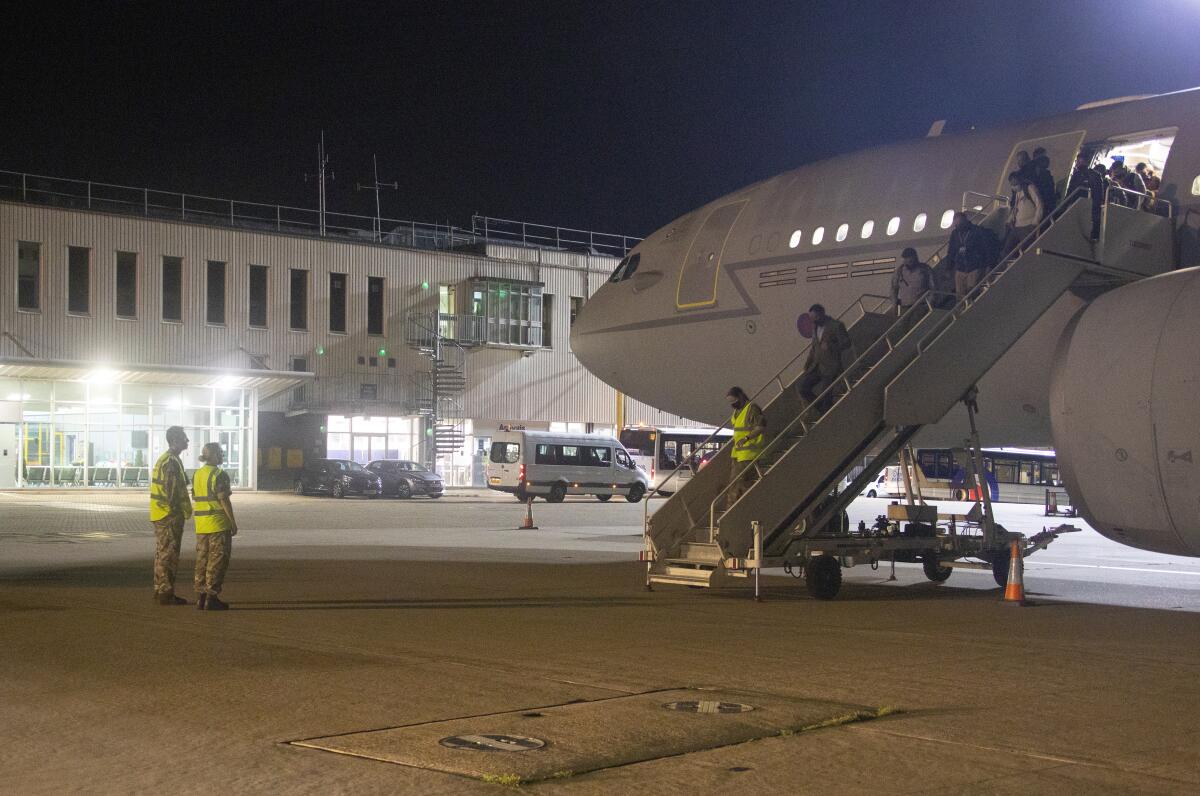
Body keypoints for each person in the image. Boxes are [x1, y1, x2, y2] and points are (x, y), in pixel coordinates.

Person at [149, 426, 192, 605]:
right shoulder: (171, 462)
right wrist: (178, 512)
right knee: (169, 554)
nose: (187, 441)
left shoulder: (168, 459)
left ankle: (160, 589)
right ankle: (166, 593)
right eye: (184, 438)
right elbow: (172, 491)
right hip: (169, 515)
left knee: (162, 553)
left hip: (161, 513)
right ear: (174, 441)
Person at [192, 442, 238, 611]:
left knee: (202, 561)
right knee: (217, 561)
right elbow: (223, 499)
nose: (222, 455)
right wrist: (232, 522)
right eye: (219, 452)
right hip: (218, 524)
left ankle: (200, 597)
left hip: (201, 525)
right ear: (211, 455)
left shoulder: (197, 474)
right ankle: (212, 597)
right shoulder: (219, 474)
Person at [797, 303, 852, 412]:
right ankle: (822, 408)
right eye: (812, 318)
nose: (813, 320)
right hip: (817, 366)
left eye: (815, 318)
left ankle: (826, 412)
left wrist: (831, 346)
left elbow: (847, 343)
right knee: (803, 388)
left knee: (826, 393)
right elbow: (814, 347)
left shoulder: (836, 326)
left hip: (831, 367)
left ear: (821, 315)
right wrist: (807, 364)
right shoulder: (815, 327)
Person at [724, 386, 765, 509]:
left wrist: (746, 438)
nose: (732, 404)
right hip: (738, 454)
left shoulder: (752, 409)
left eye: (733, 401)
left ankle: (732, 510)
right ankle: (736, 508)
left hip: (749, 453)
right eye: (730, 402)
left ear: (741, 396)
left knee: (737, 484)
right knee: (737, 484)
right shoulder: (737, 412)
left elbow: (760, 427)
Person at [944, 213, 997, 299]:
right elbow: (951, 251)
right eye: (956, 225)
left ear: (965, 221)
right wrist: (948, 268)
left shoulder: (977, 231)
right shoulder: (955, 234)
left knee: (972, 293)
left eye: (960, 224)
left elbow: (986, 248)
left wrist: (989, 265)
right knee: (960, 296)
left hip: (974, 267)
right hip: (960, 268)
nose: (958, 227)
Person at [1067, 153, 1105, 240]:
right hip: (1088, 206)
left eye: (1079, 161)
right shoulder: (1096, 175)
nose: (1078, 163)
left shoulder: (1077, 175)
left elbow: (1070, 192)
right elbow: (1098, 195)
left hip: (1079, 205)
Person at [1004, 172, 1044, 255]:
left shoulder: (1029, 188)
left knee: (1025, 250)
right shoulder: (1018, 192)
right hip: (1017, 226)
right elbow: (1016, 208)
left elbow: (1039, 204)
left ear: (1020, 180)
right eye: (1012, 184)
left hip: (1028, 226)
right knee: (1007, 249)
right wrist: (1010, 220)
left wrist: (1035, 222)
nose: (1013, 186)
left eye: (1015, 183)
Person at [1031, 147, 1057, 216]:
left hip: (1045, 207)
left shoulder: (1046, 174)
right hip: (1041, 207)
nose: (1046, 160)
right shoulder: (1037, 174)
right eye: (1043, 158)